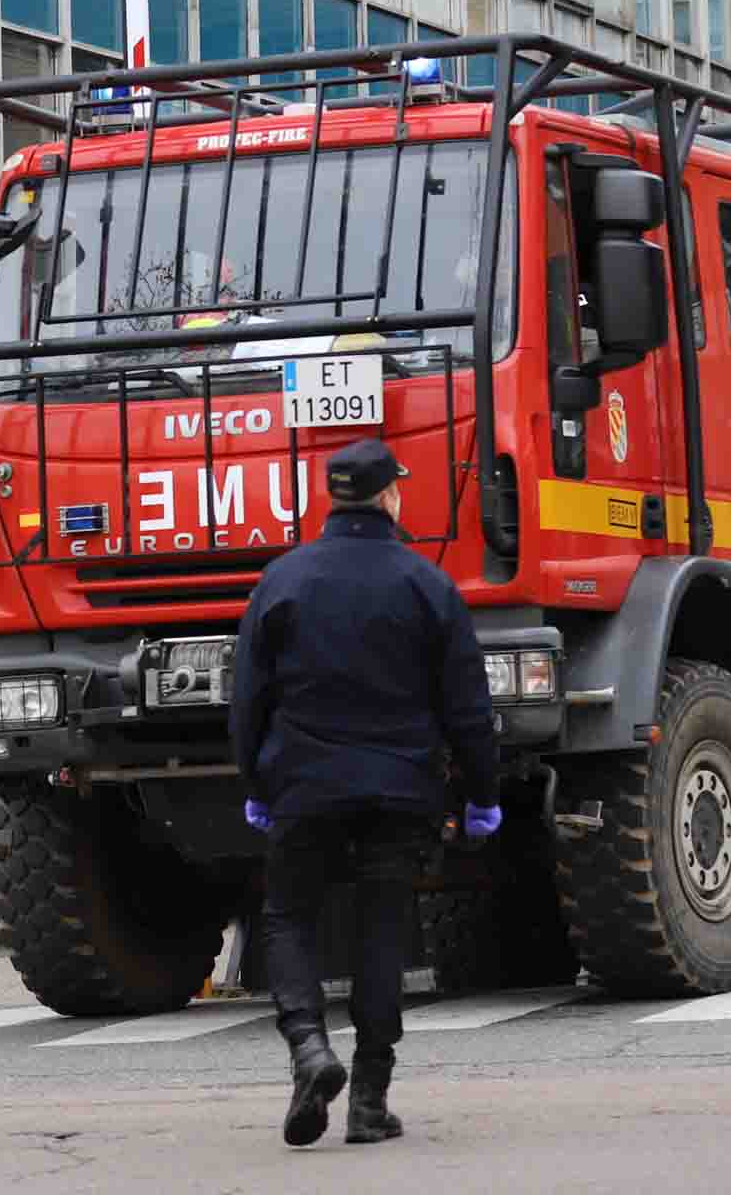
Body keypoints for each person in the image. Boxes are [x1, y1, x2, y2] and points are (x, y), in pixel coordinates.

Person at [229, 437, 500, 1148]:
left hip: (305, 785)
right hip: (399, 790)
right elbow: (467, 705)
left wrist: (256, 781)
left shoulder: (281, 581)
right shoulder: (426, 583)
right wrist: (480, 791)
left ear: (333, 497)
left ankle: (309, 1050)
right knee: (382, 922)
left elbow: (247, 697)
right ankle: (370, 1101)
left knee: (288, 916)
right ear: (389, 496)